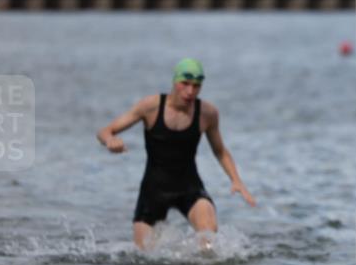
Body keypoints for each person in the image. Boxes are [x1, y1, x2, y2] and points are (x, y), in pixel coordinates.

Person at [96, 58, 256, 250]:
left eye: (196, 86)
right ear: (174, 81)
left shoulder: (207, 113)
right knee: (144, 257)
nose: (190, 91)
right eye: (185, 83)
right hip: (153, 191)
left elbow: (220, 151)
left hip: (189, 187)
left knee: (209, 241)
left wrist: (236, 180)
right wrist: (110, 140)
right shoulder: (151, 107)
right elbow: (105, 131)